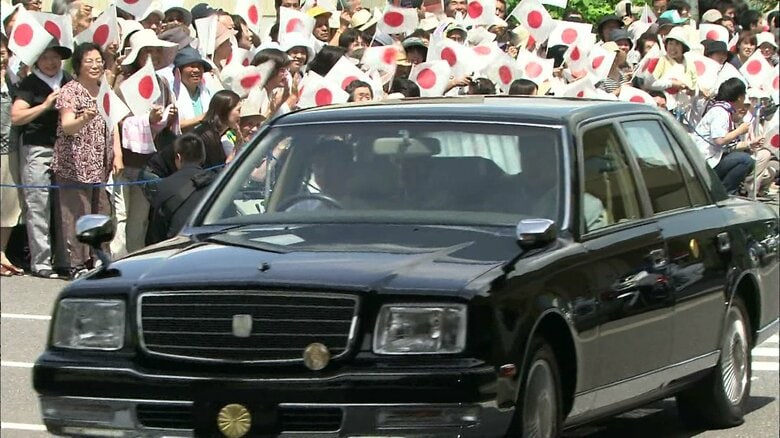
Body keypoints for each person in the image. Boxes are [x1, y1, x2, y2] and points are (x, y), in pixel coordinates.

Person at [53, 43, 119, 279]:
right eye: (89, 61)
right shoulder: (70, 90)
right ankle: (77, 264)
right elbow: (67, 126)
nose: (95, 65)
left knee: (101, 212)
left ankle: (99, 259)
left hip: (100, 165)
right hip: (74, 164)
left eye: (98, 61)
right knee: (76, 214)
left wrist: (117, 153)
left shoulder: (104, 89)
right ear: (78, 65)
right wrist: (84, 118)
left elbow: (112, 124)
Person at [111, 29, 178, 258]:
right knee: (120, 215)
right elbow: (117, 120)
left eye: (157, 50)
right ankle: (117, 260)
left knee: (140, 218)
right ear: (137, 55)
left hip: (149, 162)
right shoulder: (123, 83)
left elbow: (167, 124)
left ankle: (135, 259)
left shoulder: (163, 83)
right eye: (147, 51)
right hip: (125, 160)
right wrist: (147, 120)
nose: (154, 56)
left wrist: (169, 116)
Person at [10, 40, 73, 279]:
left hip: (66, 148)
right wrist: (45, 105)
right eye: (45, 57)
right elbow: (16, 116)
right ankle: (41, 261)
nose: (51, 62)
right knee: (38, 203)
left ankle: (67, 260)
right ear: (37, 60)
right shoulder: (30, 83)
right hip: (37, 148)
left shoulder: (68, 80)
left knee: (65, 205)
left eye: (55, 57)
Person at [148, 134, 216, 243]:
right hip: (211, 243)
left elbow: (157, 230)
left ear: (178, 157)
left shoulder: (164, 185)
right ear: (203, 157)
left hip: (177, 245)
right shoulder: (216, 182)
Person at [693, 78, 755, 194]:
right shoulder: (720, 112)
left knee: (746, 159)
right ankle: (725, 194)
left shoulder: (724, 111)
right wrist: (739, 131)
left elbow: (728, 146)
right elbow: (720, 140)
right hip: (706, 161)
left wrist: (750, 144)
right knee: (745, 161)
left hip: (713, 157)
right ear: (739, 97)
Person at [0, 33, 23, 276]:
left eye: (3, 53)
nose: (1, 58)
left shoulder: (13, 81)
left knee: (9, 205)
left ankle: (1, 252)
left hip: (10, 149)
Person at [191, 89, 241, 169]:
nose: (240, 115)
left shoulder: (216, 133)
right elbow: (220, 170)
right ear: (225, 110)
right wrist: (233, 153)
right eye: (238, 110)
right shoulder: (208, 135)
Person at [172, 46, 212, 132]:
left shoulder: (206, 92)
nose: (196, 70)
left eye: (199, 66)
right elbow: (172, 126)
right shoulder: (172, 94)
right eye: (192, 66)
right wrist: (202, 118)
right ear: (179, 71)